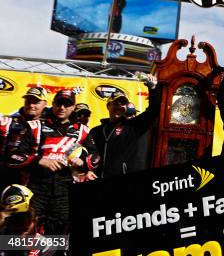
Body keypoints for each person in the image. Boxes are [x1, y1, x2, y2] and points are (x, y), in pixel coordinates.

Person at [7, 90, 99, 235]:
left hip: (65, 190)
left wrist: (83, 162)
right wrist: (39, 160)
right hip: (35, 190)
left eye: (67, 104)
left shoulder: (82, 131)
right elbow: (12, 156)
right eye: (59, 103)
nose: (62, 108)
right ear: (53, 104)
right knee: (25, 232)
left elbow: (95, 157)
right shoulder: (34, 126)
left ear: (73, 107)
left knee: (60, 233)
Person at [90, 74, 159, 178]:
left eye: (123, 104)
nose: (119, 106)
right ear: (108, 106)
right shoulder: (96, 131)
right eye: (116, 103)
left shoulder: (132, 126)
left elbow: (153, 111)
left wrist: (153, 89)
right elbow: (89, 153)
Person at [0, 87, 48, 188]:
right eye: (28, 101)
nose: (31, 105)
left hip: (37, 178)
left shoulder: (50, 125)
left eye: (36, 102)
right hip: (7, 174)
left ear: (45, 104)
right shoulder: (8, 121)